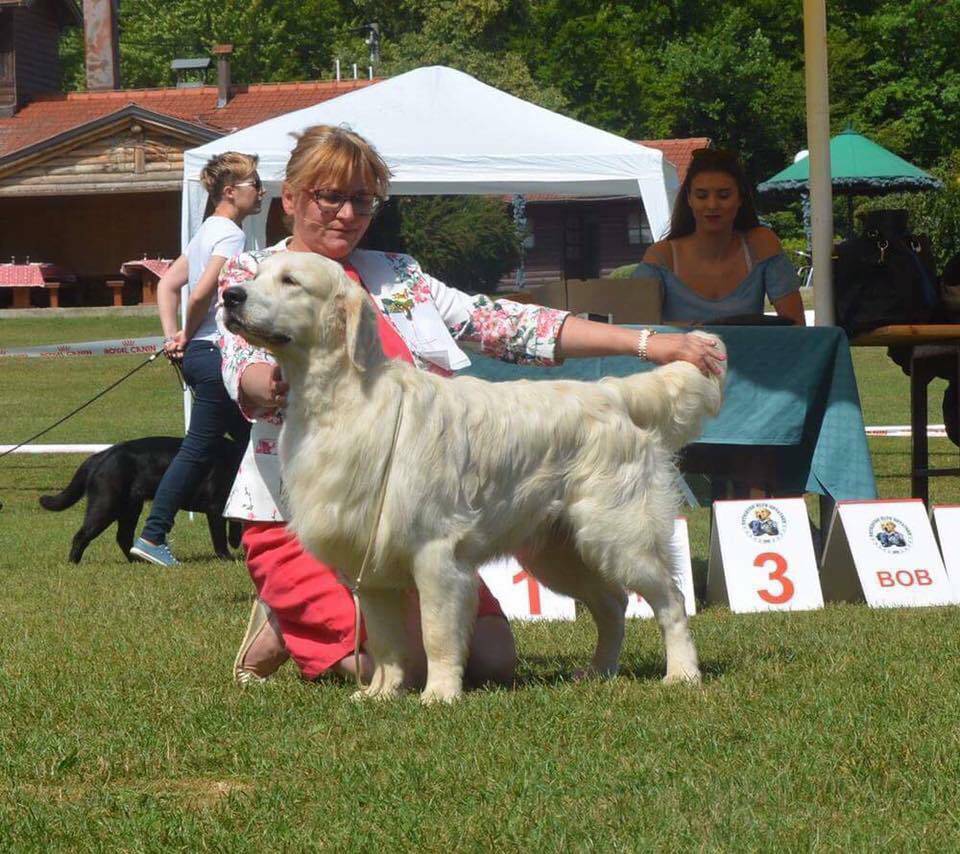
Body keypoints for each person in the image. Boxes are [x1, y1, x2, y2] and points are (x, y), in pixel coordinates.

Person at [223, 125, 726, 688]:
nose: (346, 213)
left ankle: (666, 635)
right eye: (329, 195)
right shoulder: (249, 278)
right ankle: (283, 610)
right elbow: (237, 363)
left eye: (361, 199)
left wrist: (649, 343)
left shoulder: (399, 276)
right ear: (289, 198)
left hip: (425, 513)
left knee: (492, 663)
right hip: (290, 516)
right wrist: (264, 381)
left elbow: (508, 325)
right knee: (382, 669)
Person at [129, 152, 263, 566]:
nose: (260, 192)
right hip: (215, 355)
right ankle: (153, 536)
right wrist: (186, 332)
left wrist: (173, 336)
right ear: (230, 192)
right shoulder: (231, 235)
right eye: (254, 185)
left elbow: (168, 284)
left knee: (254, 442)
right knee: (199, 449)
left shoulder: (207, 230)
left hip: (199, 356)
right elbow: (206, 291)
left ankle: (260, 532)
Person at [637, 148, 806, 326]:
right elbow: (634, 329)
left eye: (723, 195)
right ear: (689, 199)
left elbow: (796, 326)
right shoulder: (661, 256)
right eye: (702, 196)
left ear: (740, 198)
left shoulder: (761, 243)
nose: (712, 205)